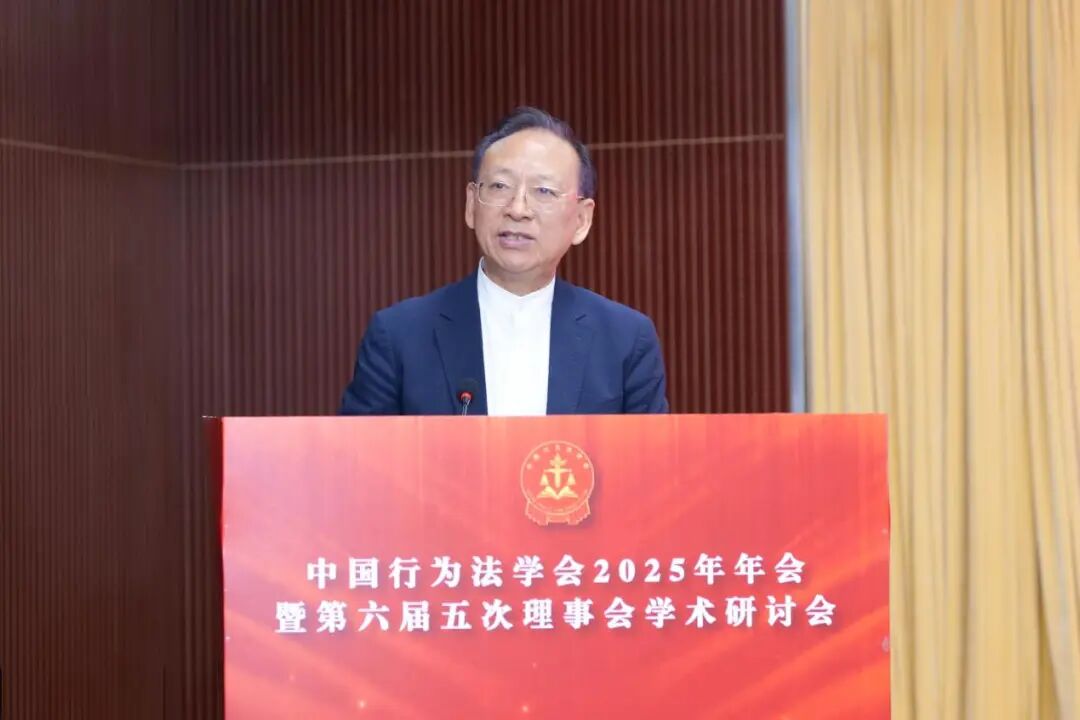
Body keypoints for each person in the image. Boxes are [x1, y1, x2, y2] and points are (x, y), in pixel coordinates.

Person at [339, 106, 668, 416]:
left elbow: (649, 455)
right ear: (471, 205)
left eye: (544, 191)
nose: (518, 209)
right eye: (500, 186)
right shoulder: (399, 336)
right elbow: (359, 454)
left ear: (582, 220)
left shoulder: (625, 340)